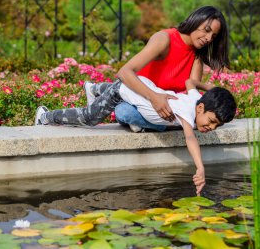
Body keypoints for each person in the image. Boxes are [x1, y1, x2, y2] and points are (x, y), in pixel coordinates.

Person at [34, 77, 236, 196]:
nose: (211, 127)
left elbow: (190, 81)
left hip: (139, 86)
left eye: (216, 125)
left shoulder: (196, 98)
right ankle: (44, 116)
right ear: (200, 108)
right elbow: (190, 138)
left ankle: (94, 88)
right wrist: (200, 168)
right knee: (89, 118)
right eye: (210, 121)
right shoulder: (187, 111)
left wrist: (215, 91)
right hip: (123, 90)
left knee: (121, 94)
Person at [112, 5, 229, 132]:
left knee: (194, 120)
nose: (208, 38)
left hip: (170, 113)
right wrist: (154, 97)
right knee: (124, 112)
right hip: (141, 100)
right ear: (196, 20)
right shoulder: (164, 39)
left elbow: (192, 96)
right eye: (207, 30)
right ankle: (153, 124)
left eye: (213, 36)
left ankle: (149, 125)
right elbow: (124, 72)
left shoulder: (197, 56)